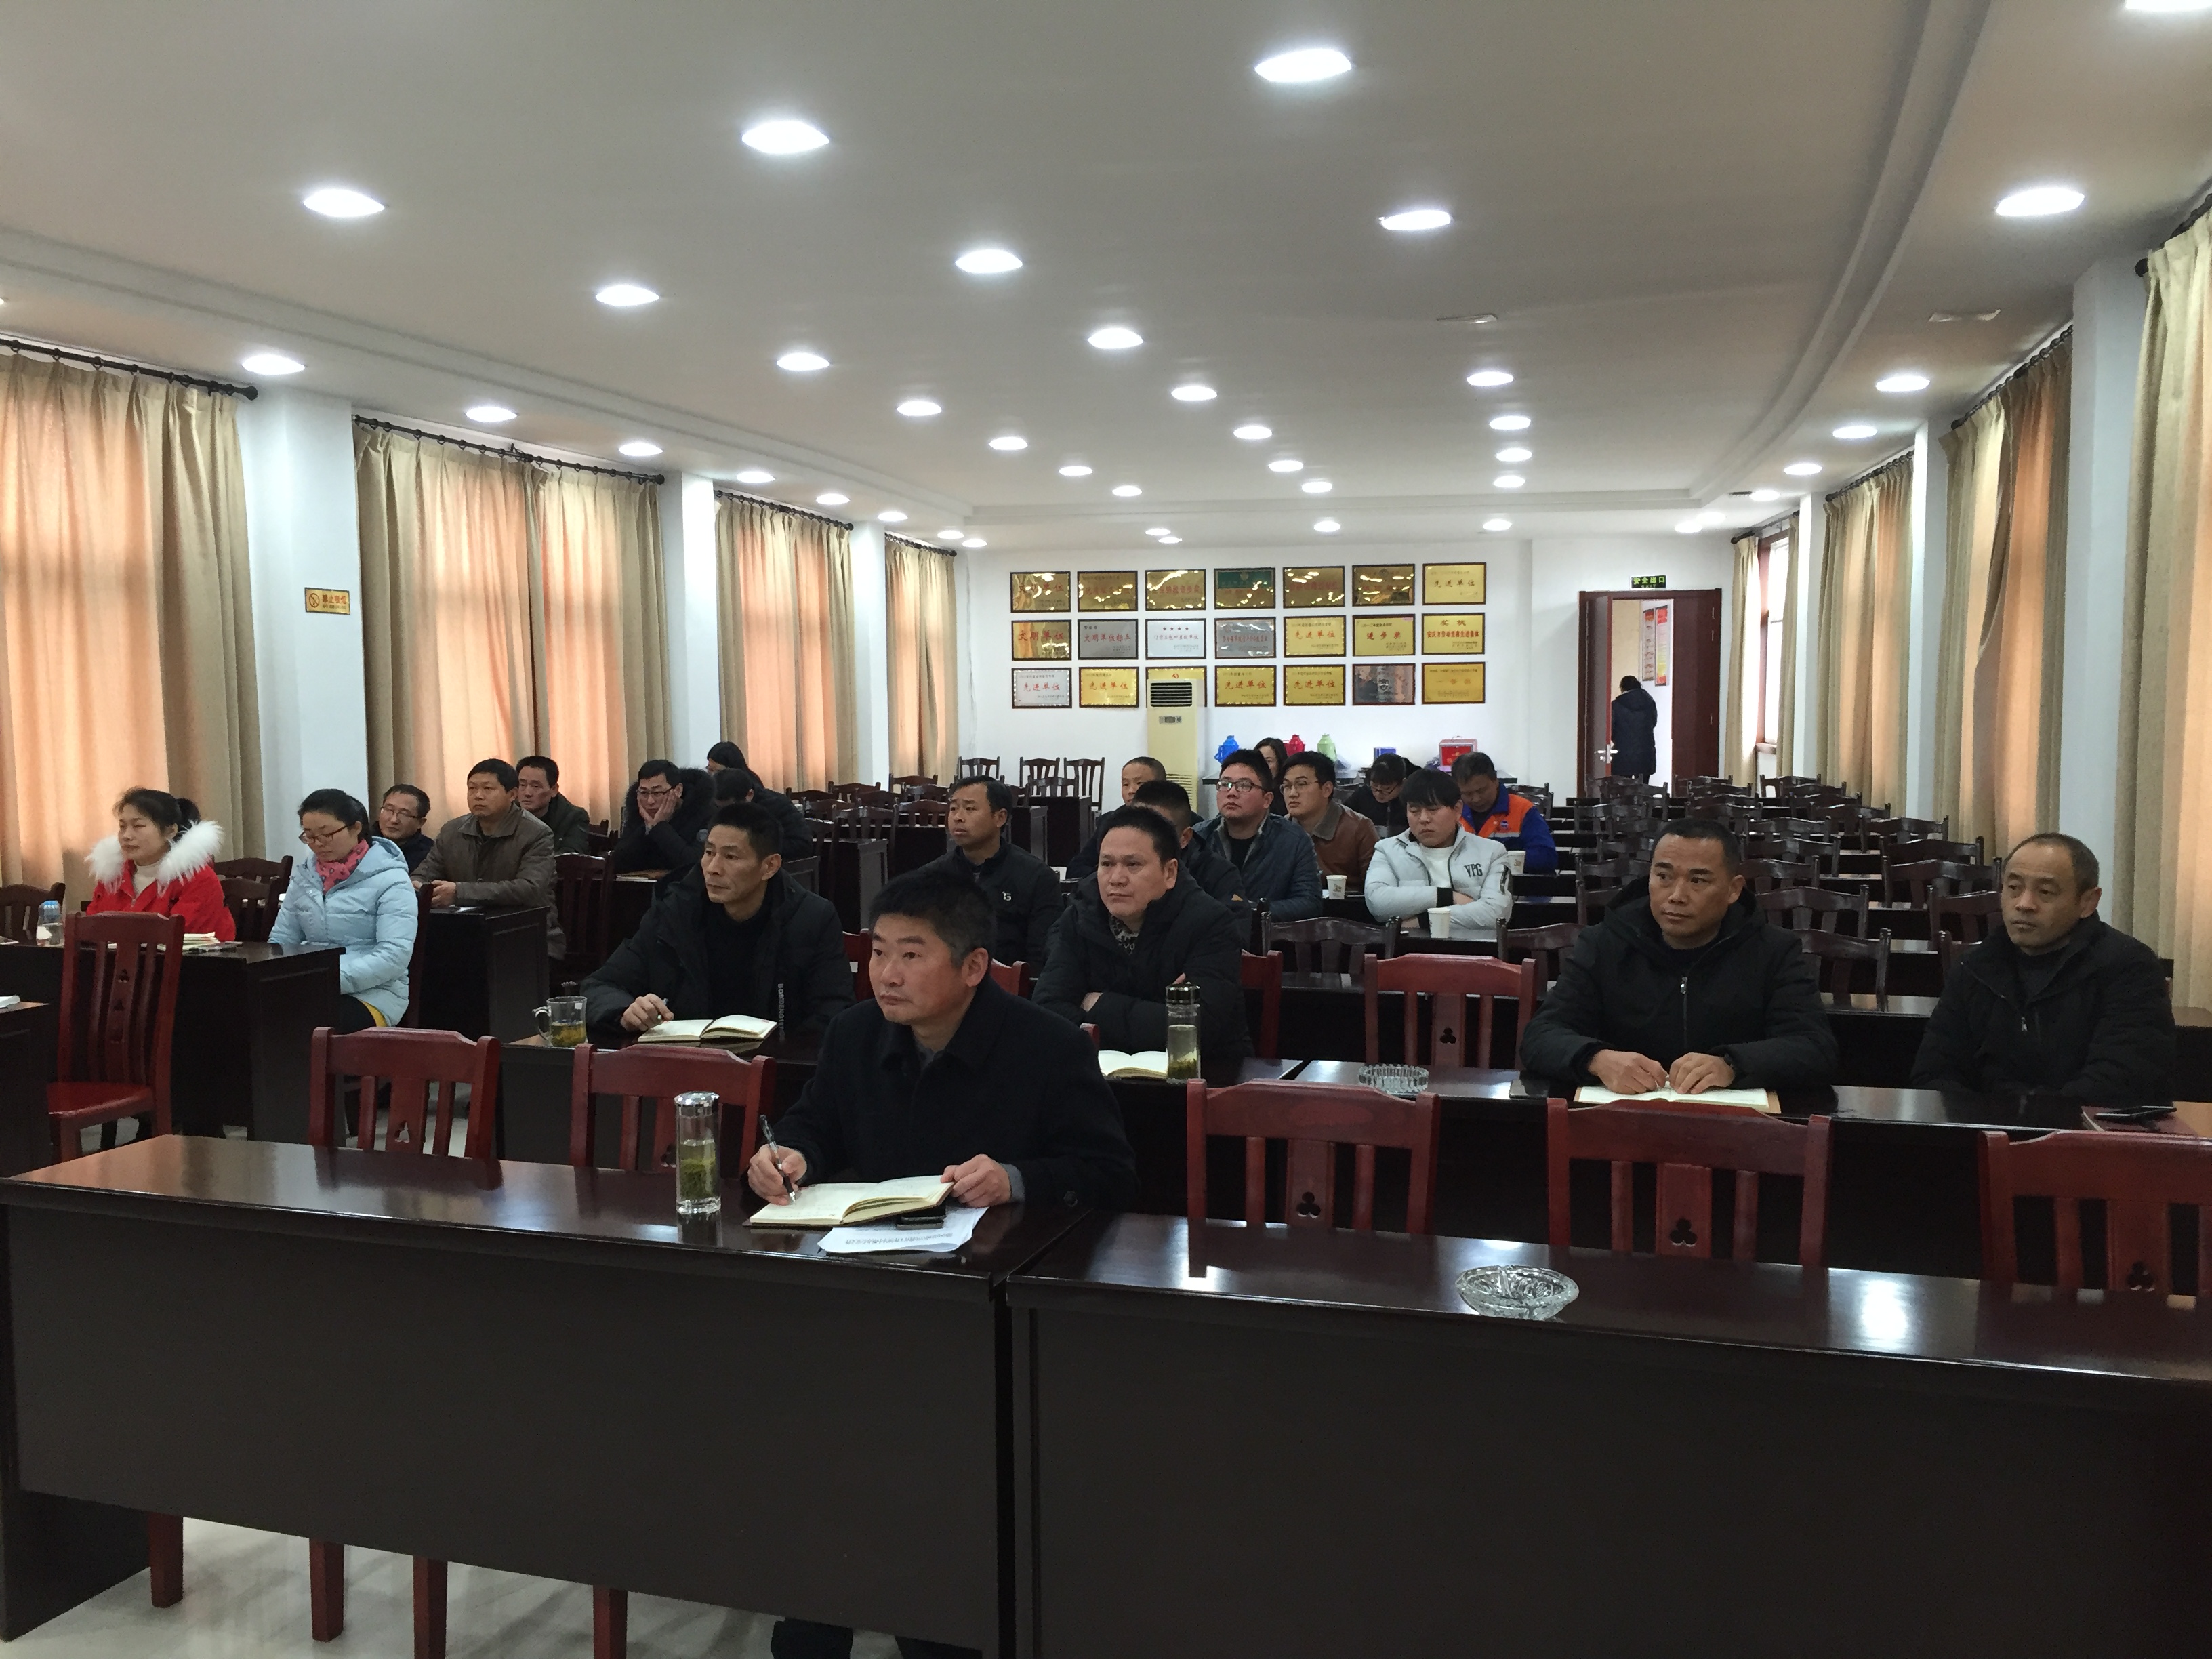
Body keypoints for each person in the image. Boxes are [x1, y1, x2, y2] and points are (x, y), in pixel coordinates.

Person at [748, 868, 1136, 1659]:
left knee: (923, 1484)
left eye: (911, 954)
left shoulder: (1047, 1046)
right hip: (866, 1296)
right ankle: (817, 1615)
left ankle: (937, 1626)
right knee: (817, 1450)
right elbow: (814, 1122)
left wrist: (1017, 1178)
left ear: (973, 966)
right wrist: (789, 1155)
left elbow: (1110, 1173)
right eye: (878, 952)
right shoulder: (855, 1034)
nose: (885, 974)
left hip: (983, 1316)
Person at [1521, 820, 1837, 1093]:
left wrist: (1732, 1065)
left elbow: (1815, 1049)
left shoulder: (1774, 951)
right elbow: (1541, 1036)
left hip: (1735, 1126)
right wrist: (1597, 1059)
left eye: (1698, 881)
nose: (1676, 896)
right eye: (1664, 877)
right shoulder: (1603, 944)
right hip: (1625, 1121)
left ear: (1733, 889)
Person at [1910, 834, 2175, 1104]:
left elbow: (2120, 1081)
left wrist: (2029, 1117)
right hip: (1982, 1124)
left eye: (2045, 892)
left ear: (2087, 902)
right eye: (2014, 888)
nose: (2024, 904)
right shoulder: (1974, 966)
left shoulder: (2129, 967)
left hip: (2078, 1126)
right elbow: (1934, 1072)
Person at [581, 802, 850, 1040]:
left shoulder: (810, 918)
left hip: (776, 1067)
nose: (713, 868)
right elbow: (599, 986)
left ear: (769, 866)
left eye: (731, 857)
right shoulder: (674, 911)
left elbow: (833, 1013)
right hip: (689, 1065)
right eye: (709, 852)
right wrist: (625, 1012)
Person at [1034, 805, 1251, 1069]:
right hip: (1098, 1074)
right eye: (1107, 864)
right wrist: (1159, 1011)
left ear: (1170, 873)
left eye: (1133, 865)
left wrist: (1097, 1003)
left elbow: (1197, 1029)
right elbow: (1047, 1011)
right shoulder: (1081, 916)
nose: (1116, 879)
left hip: (1199, 1076)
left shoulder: (1210, 923)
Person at [268, 789, 417, 1031]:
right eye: (309, 836)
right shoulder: (305, 877)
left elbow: (393, 956)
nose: (318, 844)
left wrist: (327, 980)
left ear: (356, 828)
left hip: (374, 995)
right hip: (311, 986)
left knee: (303, 1026)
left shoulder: (391, 879)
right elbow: (282, 940)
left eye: (326, 834)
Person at [413, 758, 565, 958]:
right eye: (472, 788)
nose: (478, 795)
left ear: (512, 794)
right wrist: (417, 886)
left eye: (487, 789)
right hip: (464, 932)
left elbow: (529, 889)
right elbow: (425, 872)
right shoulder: (452, 831)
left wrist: (459, 892)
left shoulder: (536, 833)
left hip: (524, 934)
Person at [928, 775, 1063, 967]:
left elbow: (1043, 956)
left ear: (1000, 817)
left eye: (970, 809)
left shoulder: (1037, 877)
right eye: (953, 808)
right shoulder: (932, 876)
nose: (958, 817)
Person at [1365, 766, 1512, 937]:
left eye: (1433, 810)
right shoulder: (1387, 850)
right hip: (1409, 950)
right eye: (1414, 811)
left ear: (1457, 809)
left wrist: (1423, 921)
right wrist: (1446, 897)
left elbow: (1496, 914)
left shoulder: (1492, 852)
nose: (1424, 819)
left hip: (1474, 950)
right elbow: (1377, 902)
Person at [1189, 749, 1323, 924]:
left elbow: (1309, 903)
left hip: (1267, 936)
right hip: (1210, 935)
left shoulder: (1294, 840)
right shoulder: (1199, 837)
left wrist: (1251, 910)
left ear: (1267, 799)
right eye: (1225, 784)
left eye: (1244, 785)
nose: (1231, 792)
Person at [85, 787, 234, 939]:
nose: (126, 836)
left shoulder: (197, 879)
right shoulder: (113, 876)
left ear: (170, 831)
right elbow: (90, 930)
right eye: (122, 827)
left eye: (138, 826)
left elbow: (181, 940)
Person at [1278, 751, 1377, 897]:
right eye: (1287, 786)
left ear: (1327, 789)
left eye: (1302, 784)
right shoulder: (1281, 829)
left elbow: (1376, 890)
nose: (1292, 793)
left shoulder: (1358, 828)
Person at [1129, 777, 1238, 905]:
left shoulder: (1219, 874)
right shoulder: (1116, 868)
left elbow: (1233, 917)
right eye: (1136, 827)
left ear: (1184, 838)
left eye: (1158, 831)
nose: (1144, 839)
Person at [1065, 755, 1169, 880]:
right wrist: (1106, 875)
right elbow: (1076, 867)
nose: (1131, 790)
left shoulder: (1175, 820)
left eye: (1140, 783)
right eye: (1126, 784)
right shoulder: (1111, 821)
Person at [1452, 751, 1558, 872]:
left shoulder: (1523, 810)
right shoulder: (1452, 812)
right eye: (1467, 794)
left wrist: (1499, 860)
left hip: (1512, 882)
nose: (1476, 799)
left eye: (1482, 791)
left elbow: (1547, 857)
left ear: (1495, 780)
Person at [611, 759, 716, 875]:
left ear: (678, 790)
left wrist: (660, 828)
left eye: (657, 793)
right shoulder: (638, 813)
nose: (650, 801)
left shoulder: (704, 814)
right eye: (644, 793)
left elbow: (693, 864)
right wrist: (648, 829)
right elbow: (617, 863)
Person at [707, 758, 813, 857]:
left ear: (749, 795)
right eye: (721, 808)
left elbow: (803, 844)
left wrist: (755, 848)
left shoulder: (778, 805)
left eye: (732, 808)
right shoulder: (715, 805)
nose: (727, 813)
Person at [515, 754, 590, 855]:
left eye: (536, 786)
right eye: (522, 785)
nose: (527, 793)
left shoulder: (573, 817)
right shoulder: (507, 811)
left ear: (554, 790)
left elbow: (569, 858)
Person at [1342, 754, 1410, 839]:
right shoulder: (1362, 795)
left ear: (1403, 784)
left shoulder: (1410, 802)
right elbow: (1341, 818)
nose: (1378, 794)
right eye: (1374, 786)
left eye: (1386, 789)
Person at [1611, 676, 1659, 783]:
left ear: (1623, 688)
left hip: (1623, 752)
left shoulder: (1616, 705)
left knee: (1623, 788)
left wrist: (1617, 740)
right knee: (1643, 788)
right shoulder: (1650, 703)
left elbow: (1611, 728)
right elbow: (1653, 723)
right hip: (1645, 752)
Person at [377, 785, 436, 871]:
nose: (394, 820)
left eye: (404, 814)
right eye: (389, 810)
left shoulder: (431, 856)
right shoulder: (362, 843)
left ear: (420, 822)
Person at [1252, 737, 1292, 815]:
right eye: (1259, 760)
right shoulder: (1248, 790)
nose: (1263, 765)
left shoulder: (1286, 794)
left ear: (1280, 763)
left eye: (1269, 761)